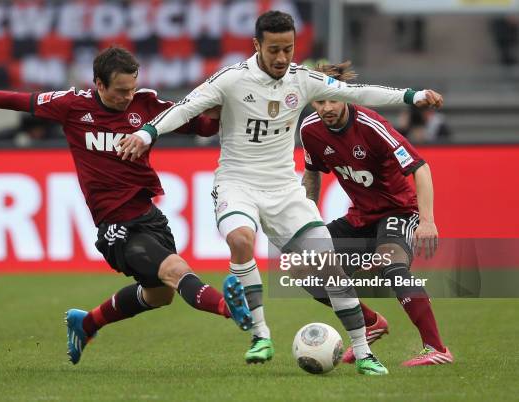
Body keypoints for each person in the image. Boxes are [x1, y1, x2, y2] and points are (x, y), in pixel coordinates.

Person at [120, 10, 442, 375]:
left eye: (288, 49)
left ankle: (364, 351)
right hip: (237, 183)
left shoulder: (302, 80)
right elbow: (185, 108)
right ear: (257, 45)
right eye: (274, 49)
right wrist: (146, 134)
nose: (282, 58)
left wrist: (410, 96)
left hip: (284, 190)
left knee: (328, 270)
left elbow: (357, 91)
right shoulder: (232, 79)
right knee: (241, 239)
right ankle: (260, 334)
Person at [0, 46, 253, 365]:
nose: (128, 96)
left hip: (149, 218)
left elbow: (201, 126)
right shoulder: (73, 105)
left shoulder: (147, 105)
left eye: (131, 87)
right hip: (116, 226)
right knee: (175, 270)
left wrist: (224, 107)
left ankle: (86, 323)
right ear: (99, 85)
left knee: (160, 295)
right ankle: (231, 309)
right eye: (120, 90)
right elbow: (22, 101)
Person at [300, 61, 453, 367]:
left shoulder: (371, 125)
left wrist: (428, 221)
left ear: (346, 96)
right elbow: (312, 173)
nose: (327, 107)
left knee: (392, 267)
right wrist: (307, 219)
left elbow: (420, 167)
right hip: (361, 218)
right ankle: (370, 322)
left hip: (399, 210)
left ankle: (437, 348)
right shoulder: (310, 130)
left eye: (333, 99)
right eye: (320, 101)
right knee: (304, 267)